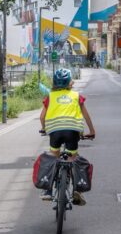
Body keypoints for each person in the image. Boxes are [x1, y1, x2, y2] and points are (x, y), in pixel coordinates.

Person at [39, 67, 96, 204]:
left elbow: (42, 117)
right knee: (73, 159)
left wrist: (44, 128)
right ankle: (77, 190)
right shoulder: (77, 96)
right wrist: (92, 131)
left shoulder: (50, 97)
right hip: (72, 131)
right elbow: (86, 116)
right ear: (70, 83)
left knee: (54, 157)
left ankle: (48, 190)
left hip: (55, 131)